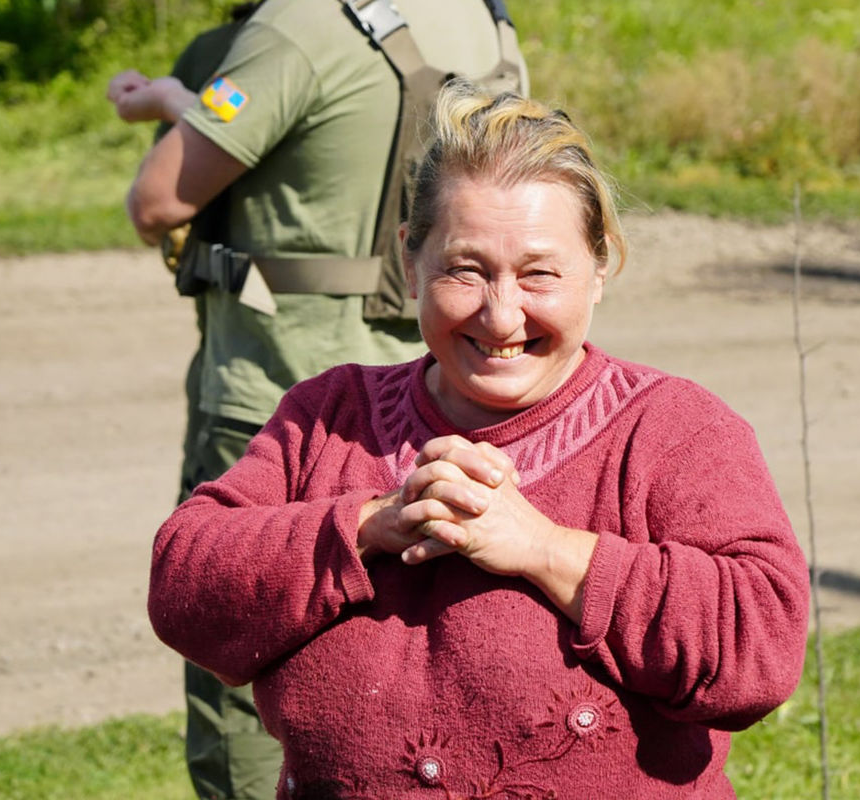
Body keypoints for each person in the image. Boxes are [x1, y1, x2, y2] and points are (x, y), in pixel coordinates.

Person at [148, 80, 811, 799]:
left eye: (539, 275)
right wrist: (371, 523)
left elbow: (759, 648)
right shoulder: (328, 414)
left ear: (600, 268)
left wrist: (540, 547)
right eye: (465, 269)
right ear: (410, 262)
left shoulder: (676, 430)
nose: (501, 316)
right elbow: (184, 586)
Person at [116, 3, 528, 798]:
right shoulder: (483, 20)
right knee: (410, 666)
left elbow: (158, 201)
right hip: (438, 396)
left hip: (283, 403)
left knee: (242, 671)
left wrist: (175, 106)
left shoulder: (292, 29)